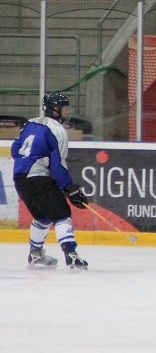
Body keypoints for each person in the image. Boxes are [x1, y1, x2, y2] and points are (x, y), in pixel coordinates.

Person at [11, 92, 89, 271]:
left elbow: (15, 150)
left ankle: (36, 255)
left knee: (43, 217)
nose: (66, 112)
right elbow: (57, 165)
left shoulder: (30, 123)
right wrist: (70, 187)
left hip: (20, 179)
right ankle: (71, 255)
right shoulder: (58, 130)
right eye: (64, 108)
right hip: (39, 178)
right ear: (54, 110)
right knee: (62, 215)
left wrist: (30, 161)